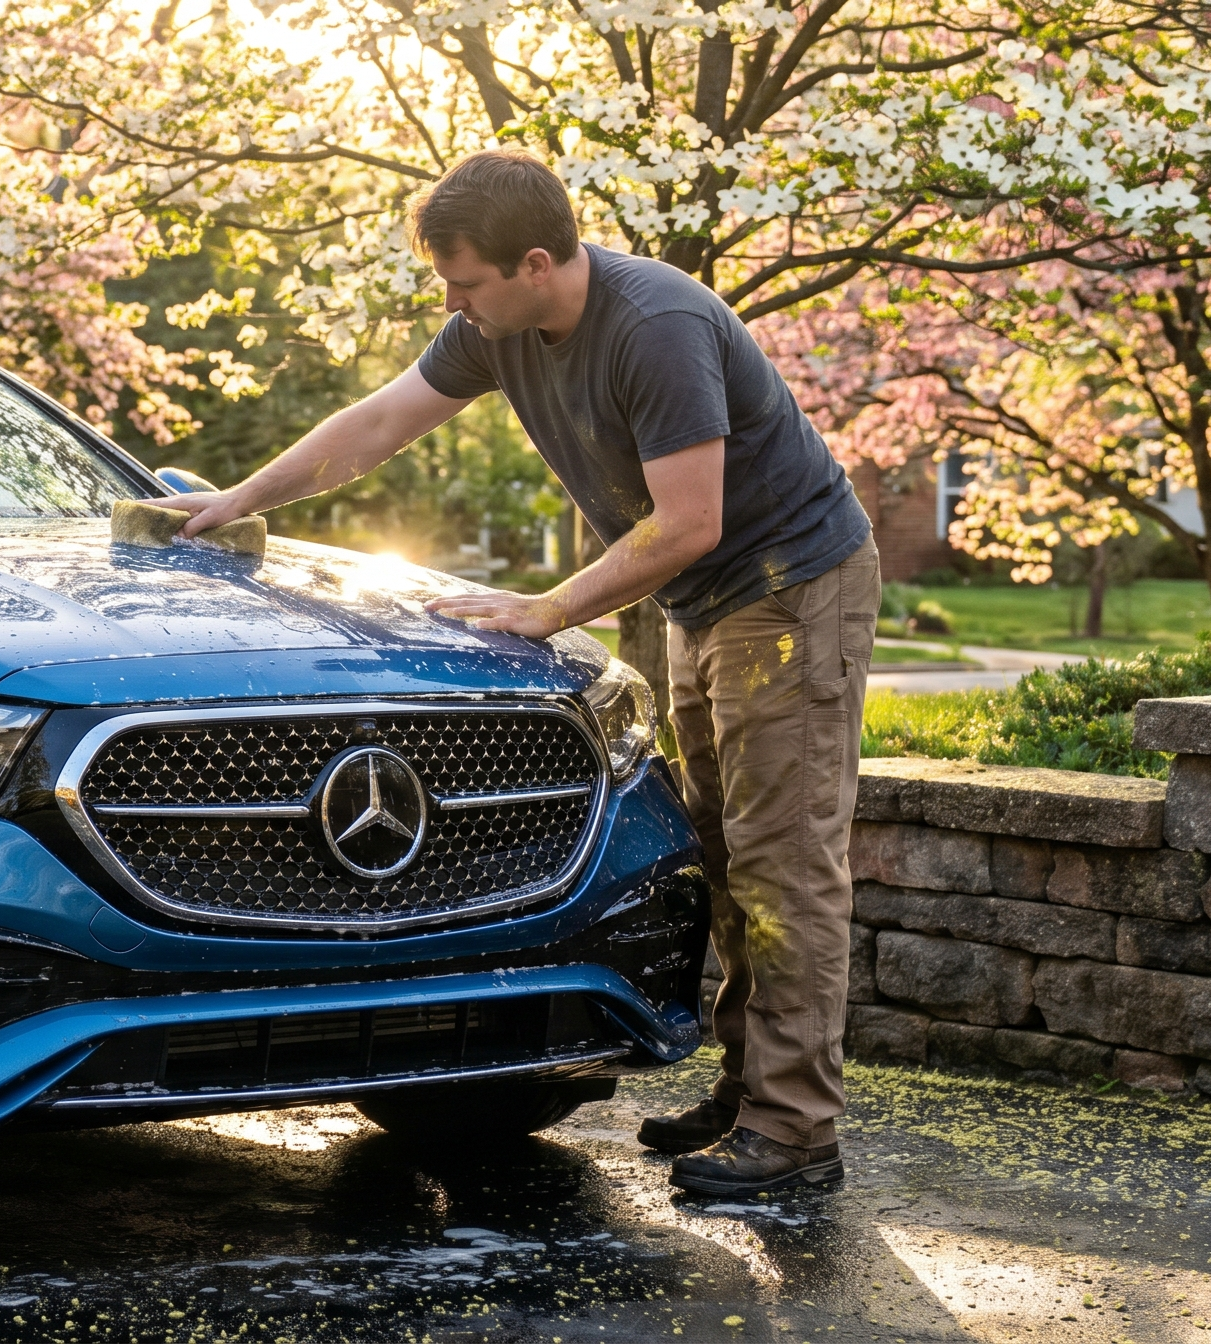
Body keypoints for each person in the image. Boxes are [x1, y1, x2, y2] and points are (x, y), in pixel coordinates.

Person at [163, 149, 880, 1196]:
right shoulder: (498, 329)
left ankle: (797, 1131)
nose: (451, 302)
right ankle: (750, 1095)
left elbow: (690, 522)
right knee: (726, 852)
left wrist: (546, 609)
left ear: (534, 263)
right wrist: (241, 501)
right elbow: (377, 425)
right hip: (711, 600)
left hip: (791, 591)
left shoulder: (655, 327)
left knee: (785, 863)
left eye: (464, 281)